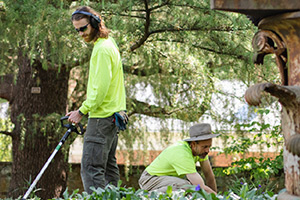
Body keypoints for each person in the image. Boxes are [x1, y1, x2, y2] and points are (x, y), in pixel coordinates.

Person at [67, 6, 127, 194]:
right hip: (113, 117)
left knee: (91, 169)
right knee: (109, 170)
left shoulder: (101, 50)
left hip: (101, 118)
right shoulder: (109, 43)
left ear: (94, 24)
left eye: (83, 28)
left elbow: (99, 89)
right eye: (77, 30)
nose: (80, 34)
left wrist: (81, 111)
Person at [139, 123, 219, 194]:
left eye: (209, 146)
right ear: (194, 144)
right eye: (205, 147)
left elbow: (209, 175)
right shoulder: (182, 153)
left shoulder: (201, 152)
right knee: (187, 186)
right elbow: (199, 186)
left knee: (188, 188)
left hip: (165, 180)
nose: (208, 150)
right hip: (150, 179)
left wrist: (214, 195)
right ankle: (145, 196)